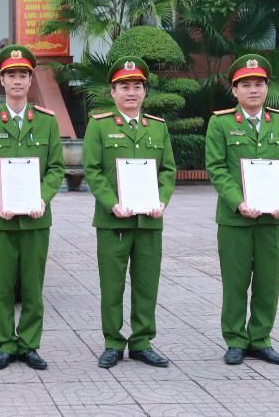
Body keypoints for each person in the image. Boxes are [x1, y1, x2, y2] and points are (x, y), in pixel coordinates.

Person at [0, 44, 65, 371]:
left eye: (23, 74)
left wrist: (43, 197)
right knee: (3, 286)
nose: (17, 80)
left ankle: (29, 344)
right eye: (11, 75)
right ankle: (5, 344)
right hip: (2, 219)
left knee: (33, 288)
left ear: (30, 79)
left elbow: (55, 169)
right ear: (1, 80)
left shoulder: (47, 122)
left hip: (37, 218)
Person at [205, 53, 279, 366]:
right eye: (245, 84)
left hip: (274, 219)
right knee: (235, 283)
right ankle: (235, 339)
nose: (253, 90)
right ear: (234, 90)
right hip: (236, 220)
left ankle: (260, 339)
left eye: (258, 83)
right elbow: (217, 168)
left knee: (268, 282)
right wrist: (238, 202)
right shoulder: (220, 123)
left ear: (266, 87)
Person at [82, 56, 176, 369]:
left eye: (137, 86)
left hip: (149, 219)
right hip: (113, 221)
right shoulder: (100, 125)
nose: (131, 92)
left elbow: (168, 170)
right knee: (112, 284)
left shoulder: (158, 128)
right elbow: (93, 171)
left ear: (145, 92)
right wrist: (112, 203)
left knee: (147, 283)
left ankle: (142, 341)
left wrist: (162, 200)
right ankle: (112, 342)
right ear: (113, 92)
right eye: (124, 86)